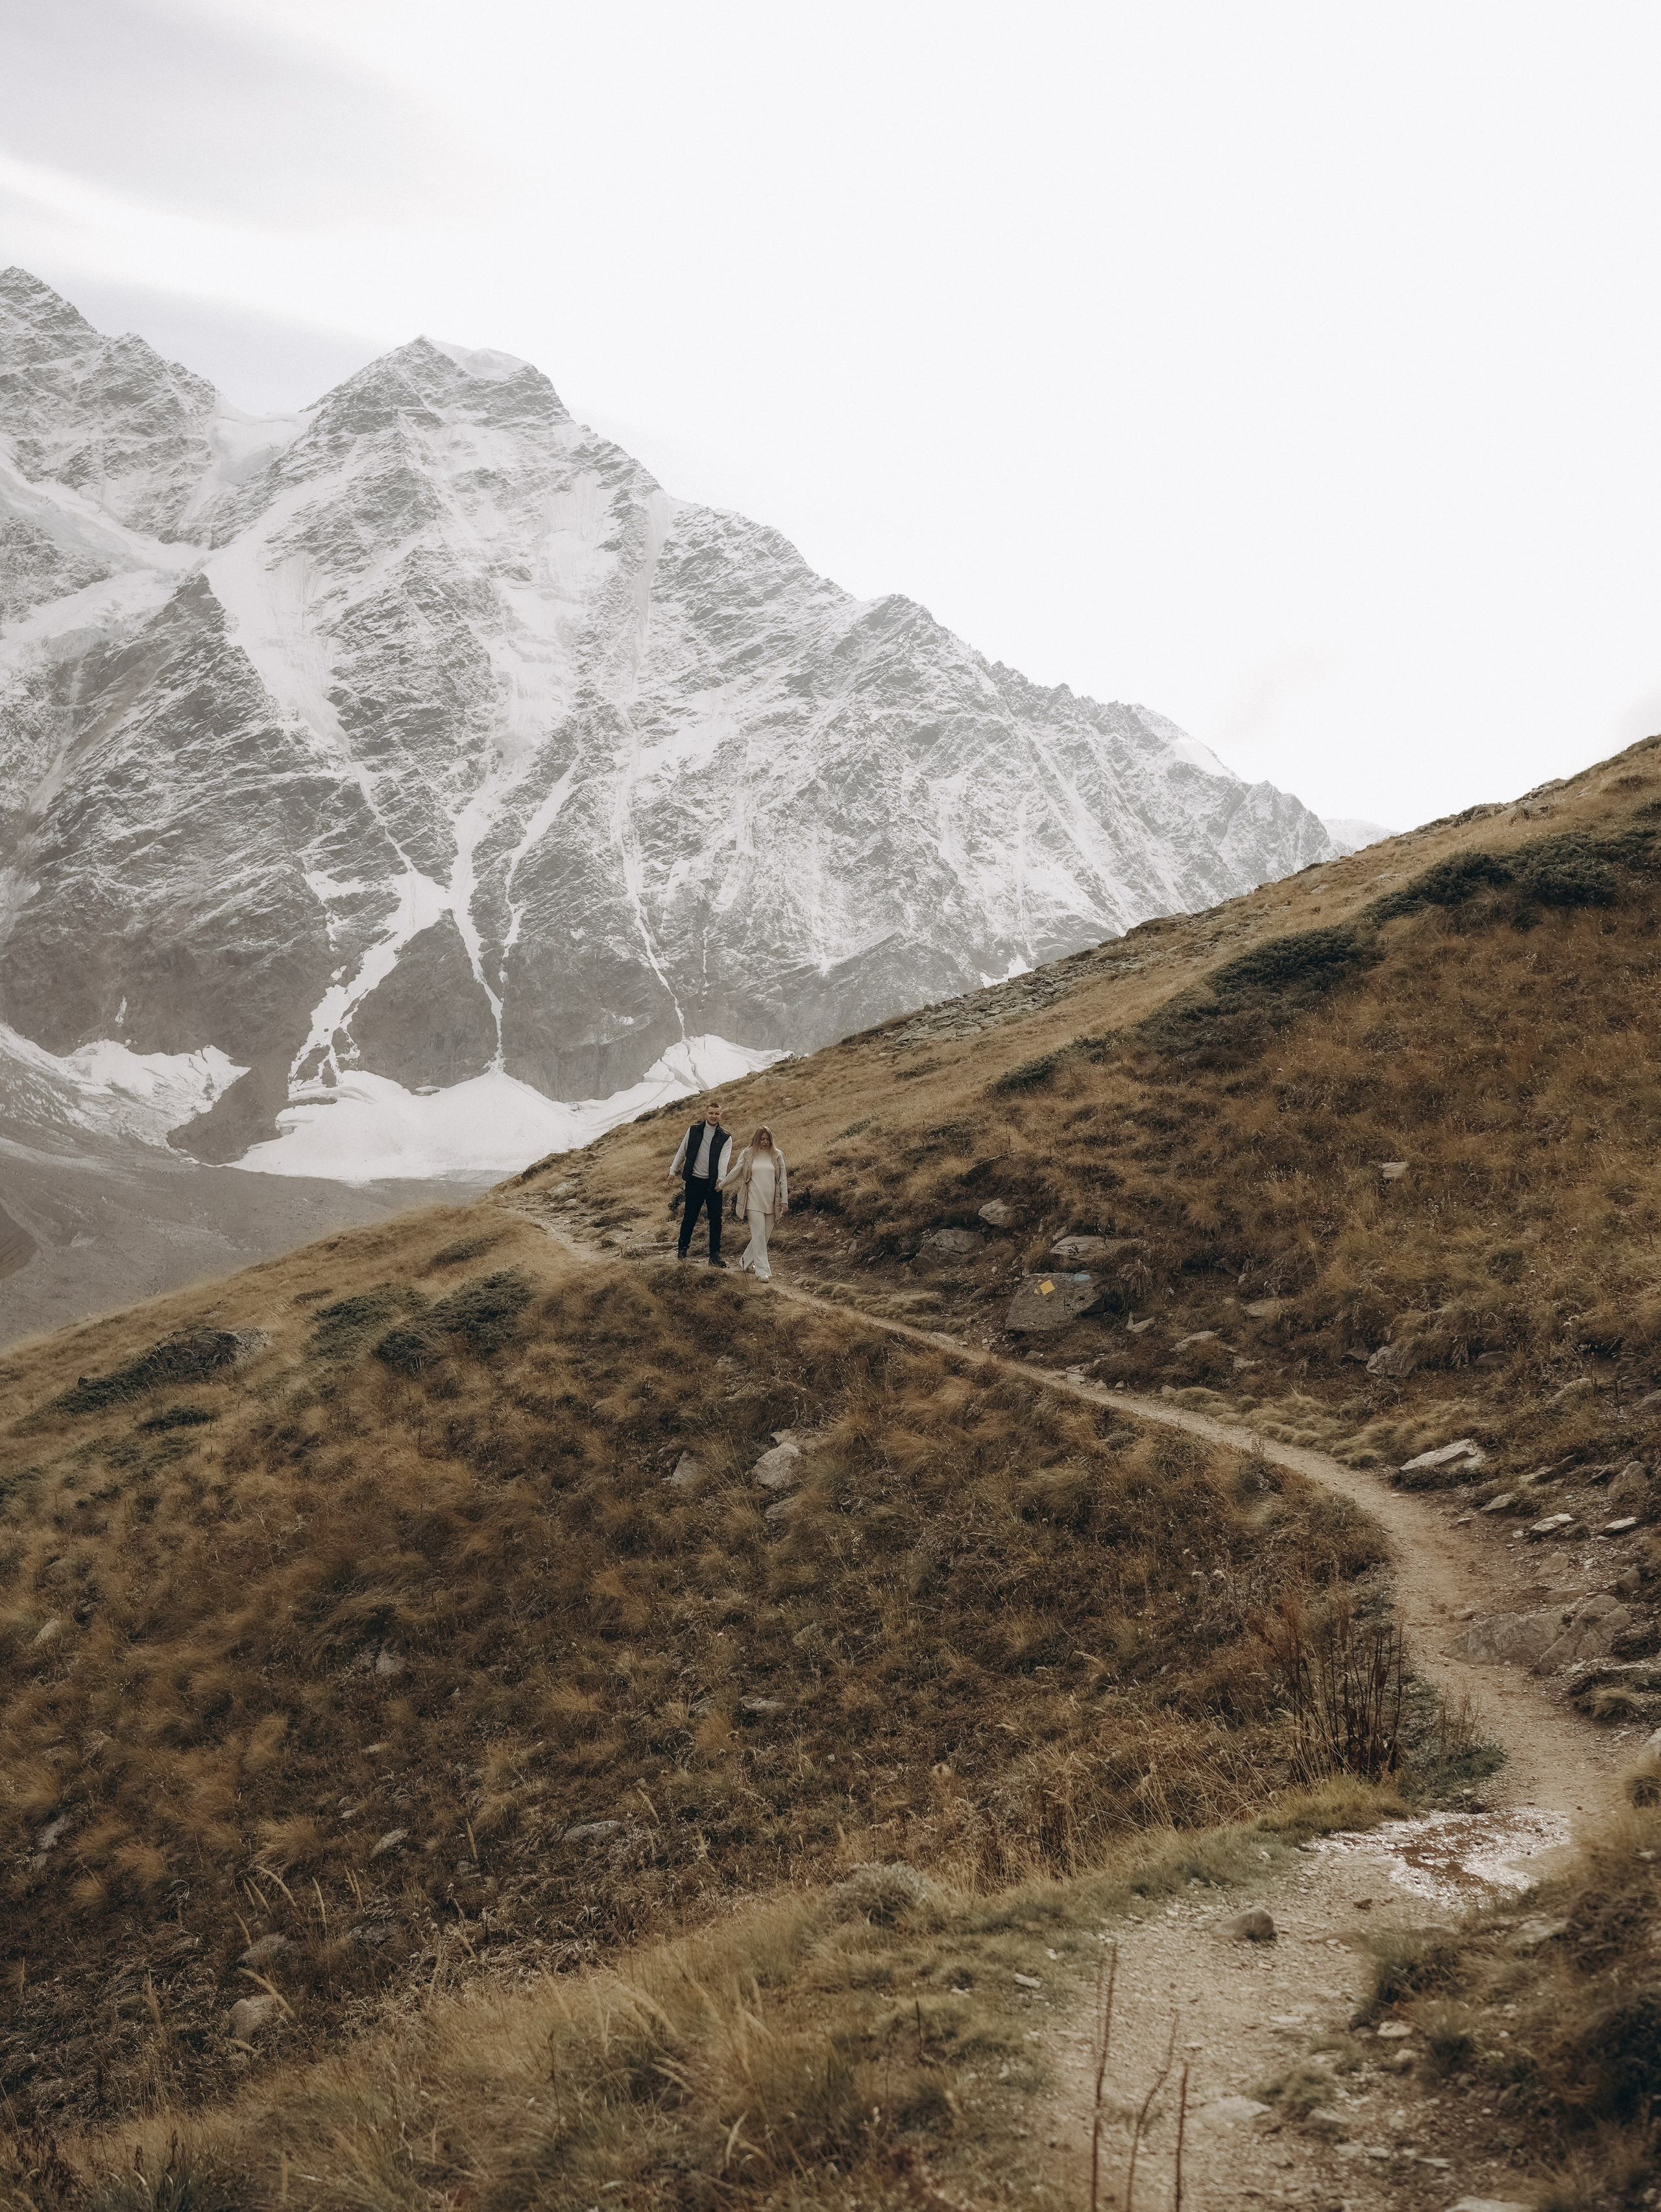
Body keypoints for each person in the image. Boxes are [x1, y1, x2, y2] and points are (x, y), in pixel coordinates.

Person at [720, 1124, 788, 1281]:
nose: (765, 1142)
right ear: (756, 1139)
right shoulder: (748, 1154)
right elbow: (737, 1171)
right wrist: (722, 1184)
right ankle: (762, 1271)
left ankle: (745, 1262)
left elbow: (783, 1179)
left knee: (764, 1237)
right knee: (758, 1235)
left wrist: (784, 1201)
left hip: (772, 1202)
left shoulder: (777, 1156)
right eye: (762, 1139)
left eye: (768, 1139)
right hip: (753, 1201)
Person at [670, 1101, 732, 1265]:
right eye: (711, 1113)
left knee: (716, 1219)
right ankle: (682, 1251)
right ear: (705, 1114)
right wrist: (672, 1170)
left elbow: (724, 1161)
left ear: (721, 1115)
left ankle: (715, 1256)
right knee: (690, 1217)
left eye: (717, 1114)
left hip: (714, 1184)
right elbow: (681, 1152)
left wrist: (721, 1178)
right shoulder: (694, 1130)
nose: (714, 1116)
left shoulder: (725, 1137)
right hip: (694, 1181)